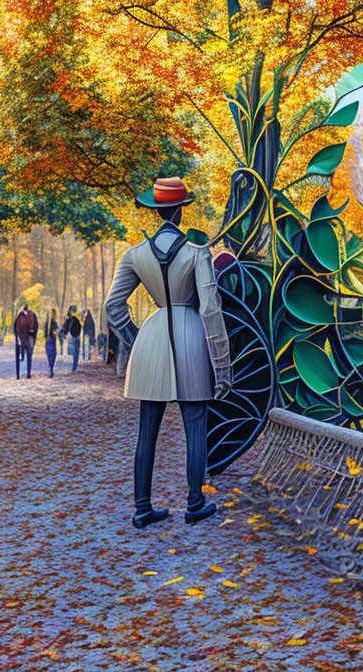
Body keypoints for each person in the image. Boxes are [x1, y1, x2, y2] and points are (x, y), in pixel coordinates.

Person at [106, 176, 232, 529]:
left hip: (153, 338)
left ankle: (143, 507)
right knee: (196, 426)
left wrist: (134, 337)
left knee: (147, 430)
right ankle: (195, 502)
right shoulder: (197, 253)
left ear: (157, 212)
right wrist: (222, 363)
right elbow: (210, 309)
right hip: (192, 336)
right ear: (179, 212)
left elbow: (113, 306)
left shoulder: (135, 254)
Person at [13, 304, 38, 379]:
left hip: (26, 336)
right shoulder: (23, 316)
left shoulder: (22, 316)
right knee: (29, 355)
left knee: (28, 355)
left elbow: (15, 327)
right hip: (24, 337)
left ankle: (26, 373)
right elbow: (35, 326)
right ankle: (26, 373)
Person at [61, 305, 83, 371]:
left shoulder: (71, 318)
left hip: (73, 335)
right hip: (75, 335)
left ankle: (74, 365)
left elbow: (66, 326)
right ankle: (74, 365)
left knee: (74, 351)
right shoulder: (76, 317)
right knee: (75, 351)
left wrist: (64, 332)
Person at [43, 307, 60, 377]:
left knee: (50, 355)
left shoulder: (47, 323)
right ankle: (51, 368)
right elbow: (56, 332)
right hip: (52, 341)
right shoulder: (53, 323)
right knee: (53, 355)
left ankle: (51, 368)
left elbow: (44, 334)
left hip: (49, 341)